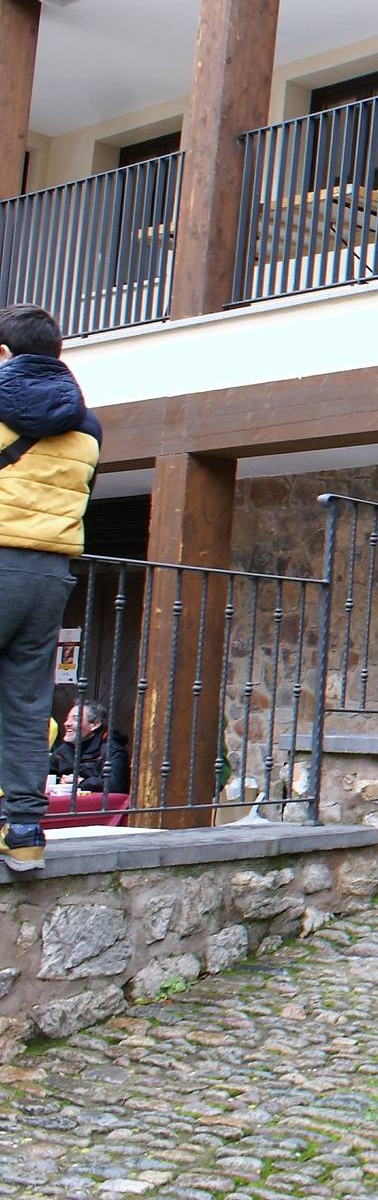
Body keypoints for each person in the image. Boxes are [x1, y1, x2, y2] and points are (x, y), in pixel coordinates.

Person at [0, 305, 102, 873]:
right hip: (49, 575)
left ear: (4, 354)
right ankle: (22, 830)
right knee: (25, 701)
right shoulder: (87, 424)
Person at [51, 701, 130, 795]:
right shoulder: (64, 750)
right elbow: (44, 775)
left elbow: (114, 784)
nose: (67, 723)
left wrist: (81, 782)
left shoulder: (111, 750)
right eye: (67, 718)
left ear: (95, 724)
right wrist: (59, 780)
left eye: (75, 719)